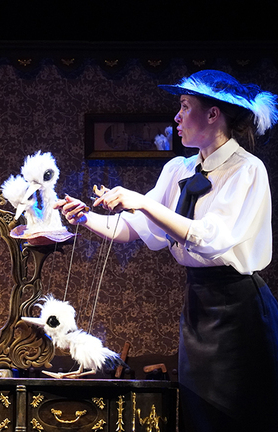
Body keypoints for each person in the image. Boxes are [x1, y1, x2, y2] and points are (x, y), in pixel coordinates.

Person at [55, 70, 278, 432]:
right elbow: (137, 229)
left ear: (213, 114)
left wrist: (143, 202)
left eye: (185, 106)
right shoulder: (179, 169)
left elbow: (209, 238)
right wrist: (85, 218)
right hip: (199, 306)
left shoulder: (246, 170)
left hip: (240, 312)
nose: (176, 116)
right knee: (197, 414)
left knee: (235, 417)